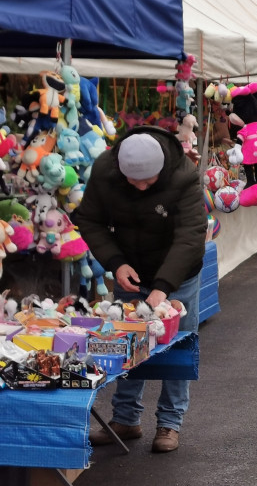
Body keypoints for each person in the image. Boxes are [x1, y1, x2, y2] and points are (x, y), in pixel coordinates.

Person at [78, 128, 207, 454]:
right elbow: (89, 220)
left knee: (177, 346)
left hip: (178, 275)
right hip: (130, 273)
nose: (140, 186)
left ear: (161, 169)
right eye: (133, 180)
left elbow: (191, 235)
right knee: (127, 345)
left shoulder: (184, 174)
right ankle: (125, 418)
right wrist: (116, 262)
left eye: (148, 181)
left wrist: (163, 288)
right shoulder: (105, 169)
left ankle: (169, 423)